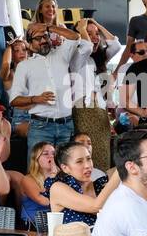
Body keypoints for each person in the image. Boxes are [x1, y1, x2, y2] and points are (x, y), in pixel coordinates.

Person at [11, 21, 92, 151]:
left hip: (66, 126)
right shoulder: (24, 66)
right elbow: (14, 100)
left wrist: (48, 27)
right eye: (38, 38)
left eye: (45, 36)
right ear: (30, 44)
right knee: (38, 170)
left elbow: (75, 37)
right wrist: (35, 99)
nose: (43, 40)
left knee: (66, 169)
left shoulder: (61, 53)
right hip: (40, 127)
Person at [45, 140, 116, 227]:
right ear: (65, 168)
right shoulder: (57, 188)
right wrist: (119, 173)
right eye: (79, 161)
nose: (87, 165)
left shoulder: (100, 185)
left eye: (89, 159)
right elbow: (96, 206)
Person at [19, 141, 56, 229]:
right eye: (46, 154)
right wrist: (53, 177)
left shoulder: (61, 177)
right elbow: (45, 202)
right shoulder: (28, 179)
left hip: (53, 223)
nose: (51, 156)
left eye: (53, 154)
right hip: (32, 225)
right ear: (36, 158)